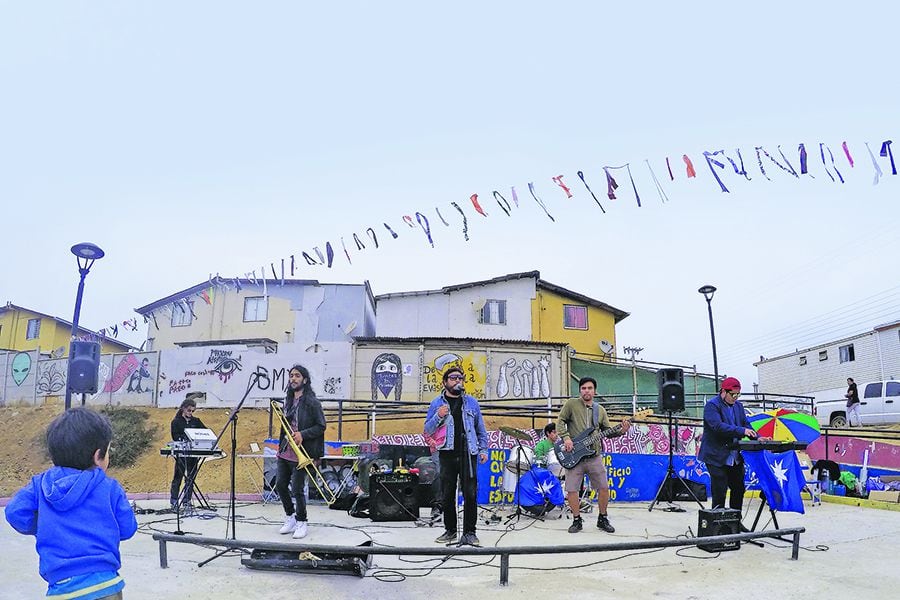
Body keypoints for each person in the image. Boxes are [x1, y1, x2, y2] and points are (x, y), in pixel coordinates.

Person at [5, 407, 138, 599]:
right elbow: (128, 529)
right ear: (97, 455)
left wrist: (46, 525)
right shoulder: (109, 487)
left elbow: (14, 513)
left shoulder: (39, 485)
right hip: (105, 585)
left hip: (61, 587)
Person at [424, 366, 489, 547]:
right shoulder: (437, 404)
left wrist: (483, 450)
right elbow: (427, 430)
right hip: (446, 453)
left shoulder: (471, 403)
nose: (457, 381)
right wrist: (438, 416)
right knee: (447, 494)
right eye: (453, 378)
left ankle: (470, 532)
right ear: (444, 382)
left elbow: (480, 429)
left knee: (470, 493)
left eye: (460, 378)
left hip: (469, 453)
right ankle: (450, 530)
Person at [557, 377, 631, 534]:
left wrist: (622, 431)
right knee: (571, 490)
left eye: (589, 388)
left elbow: (608, 432)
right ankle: (577, 520)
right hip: (574, 456)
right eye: (583, 388)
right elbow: (560, 421)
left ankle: (602, 518)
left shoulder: (601, 410)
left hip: (594, 456)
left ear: (594, 391)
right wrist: (566, 438)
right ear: (580, 391)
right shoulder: (571, 404)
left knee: (604, 488)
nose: (586, 391)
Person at [275, 364, 326, 539]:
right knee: (280, 485)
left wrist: (302, 434)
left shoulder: (312, 402)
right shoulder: (288, 400)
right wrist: (279, 447)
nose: (293, 379)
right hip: (285, 451)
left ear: (304, 380)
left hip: (302, 452)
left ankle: (302, 521)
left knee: (297, 489)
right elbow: (284, 426)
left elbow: (321, 426)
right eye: (291, 376)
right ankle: (290, 517)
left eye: (297, 376)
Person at [697, 377, 758, 522]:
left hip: (734, 457)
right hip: (715, 456)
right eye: (733, 395)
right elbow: (718, 427)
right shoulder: (712, 406)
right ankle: (717, 525)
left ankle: (735, 522)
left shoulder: (739, 406)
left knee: (738, 489)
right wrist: (742, 431)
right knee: (720, 491)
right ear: (723, 392)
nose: (736, 398)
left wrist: (757, 437)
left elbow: (746, 424)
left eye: (738, 395)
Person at [169, 396, 207, 509]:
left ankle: (187, 500)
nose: (191, 413)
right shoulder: (176, 422)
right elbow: (175, 436)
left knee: (190, 478)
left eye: (193, 411)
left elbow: (206, 432)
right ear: (183, 409)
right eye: (189, 410)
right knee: (178, 477)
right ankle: (174, 500)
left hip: (193, 454)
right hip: (181, 454)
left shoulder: (196, 421)